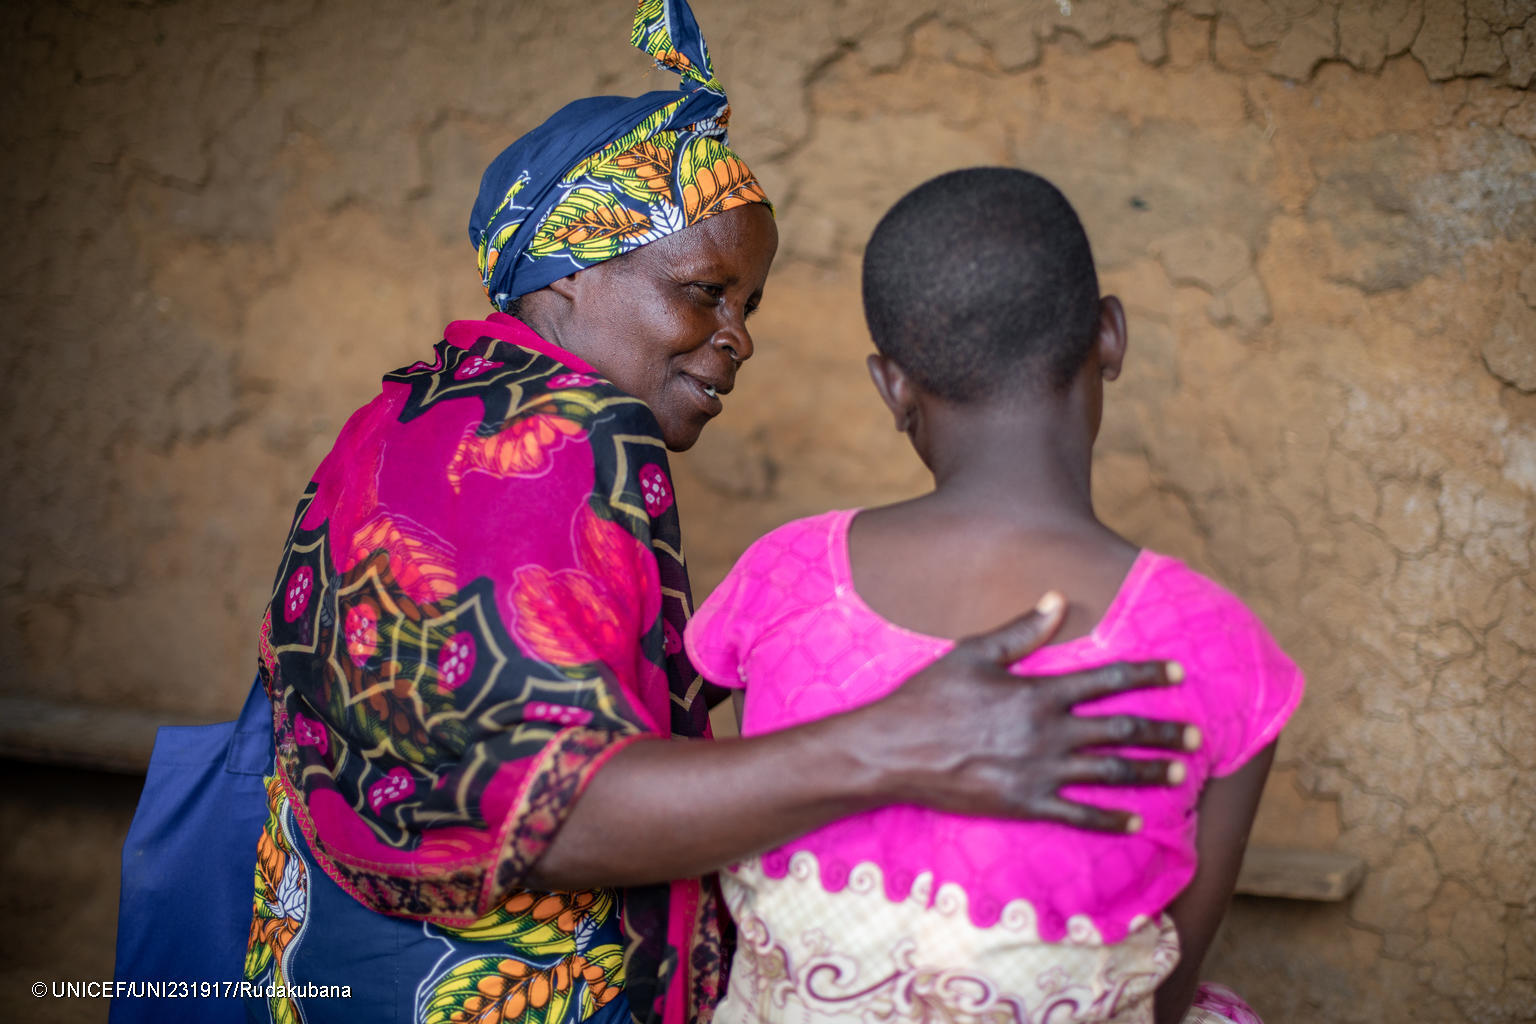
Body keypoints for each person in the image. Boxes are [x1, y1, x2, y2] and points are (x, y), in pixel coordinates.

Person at [236, 6, 1201, 1024]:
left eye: (751, 306)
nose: (737, 340)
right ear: (570, 273)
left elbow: (474, 702)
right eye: (704, 292)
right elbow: (554, 813)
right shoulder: (566, 436)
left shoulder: (409, 413)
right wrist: (903, 740)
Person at [685, 168, 1305, 1024]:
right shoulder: (1221, 646)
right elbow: (1158, 994)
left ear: (892, 384)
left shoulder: (783, 575)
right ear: (1111, 336)